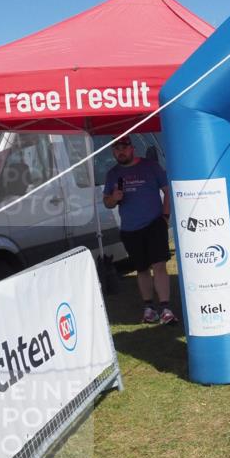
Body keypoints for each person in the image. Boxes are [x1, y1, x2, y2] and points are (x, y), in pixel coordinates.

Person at [103, 137, 176, 325]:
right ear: (113, 152)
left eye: (124, 148)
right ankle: (149, 308)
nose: (120, 152)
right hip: (130, 228)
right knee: (141, 269)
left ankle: (166, 308)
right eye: (116, 149)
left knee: (159, 265)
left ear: (132, 148)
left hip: (154, 224)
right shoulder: (112, 174)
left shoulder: (150, 167)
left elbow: (168, 190)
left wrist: (165, 216)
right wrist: (114, 197)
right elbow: (107, 203)